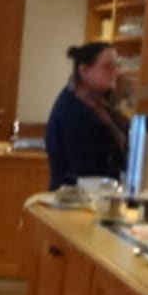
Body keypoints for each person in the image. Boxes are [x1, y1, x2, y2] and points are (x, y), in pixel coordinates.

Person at [44, 43, 130, 190]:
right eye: (107, 67)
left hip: (94, 192)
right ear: (84, 70)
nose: (115, 72)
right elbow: (83, 170)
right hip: (76, 196)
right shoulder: (73, 109)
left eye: (116, 65)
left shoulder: (99, 103)